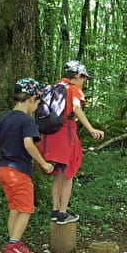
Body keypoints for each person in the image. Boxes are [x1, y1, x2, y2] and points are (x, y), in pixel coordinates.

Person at [0, 78, 55, 253]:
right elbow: (28, 145)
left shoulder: (4, 118)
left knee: (15, 208)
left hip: (3, 170)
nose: (38, 106)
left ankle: (15, 241)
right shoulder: (27, 120)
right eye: (38, 102)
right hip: (18, 173)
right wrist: (44, 163)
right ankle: (12, 247)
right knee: (26, 209)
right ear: (32, 98)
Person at [38, 60, 104, 224]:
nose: (84, 81)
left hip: (49, 135)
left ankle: (55, 210)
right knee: (68, 173)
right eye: (83, 77)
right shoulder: (73, 89)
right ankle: (62, 213)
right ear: (76, 75)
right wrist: (91, 128)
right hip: (66, 134)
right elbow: (76, 108)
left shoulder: (53, 88)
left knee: (59, 173)